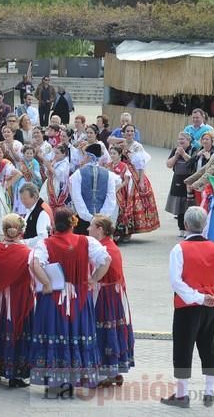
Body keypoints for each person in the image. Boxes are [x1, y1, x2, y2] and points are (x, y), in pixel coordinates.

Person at [29, 207, 112, 389]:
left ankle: (55, 381)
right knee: (77, 333)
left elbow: (35, 263)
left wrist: (47, 283)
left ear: (54, 225)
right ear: (73, 223)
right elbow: (106, 260)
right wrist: (93, 279)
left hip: (54, 298)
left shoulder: (45, 244)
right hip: (79, 297)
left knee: (55, 333)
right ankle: (77, 377)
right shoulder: (86, 241)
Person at [161, 206, 214, 409]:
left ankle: (182, 394)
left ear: (186, 225)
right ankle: (209, 392)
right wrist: (207, 293)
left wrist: (196, 297)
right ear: (204, 224)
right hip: (210, 303)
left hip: (187, 306)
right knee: (209, 345)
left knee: (183, 348)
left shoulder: (179, 249)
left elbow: (176, 282)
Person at [88, 214, 134, 388]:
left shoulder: (104, 249)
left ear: (100, 229)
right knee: (113, 330)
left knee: (104, 331)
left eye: (91, 226)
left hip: (106, 296)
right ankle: (114, 371)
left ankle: (106, 373)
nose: (88, 229)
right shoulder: (108, 246)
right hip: (113, 294)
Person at [0, 214, 33, 388]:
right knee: (17, 332)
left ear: (4, 230)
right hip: (18, 299)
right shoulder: (27, 252)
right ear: (21, 231)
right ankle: (15, 374)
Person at [69, 143, 118, 235]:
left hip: (83, 219)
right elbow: (111, 197)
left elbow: (76, 197)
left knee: (83, 245)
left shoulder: (78, 174)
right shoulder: (109, 175)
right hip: (102, 221)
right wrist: (102, 216)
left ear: (88, 156)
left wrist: (87, 216)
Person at [166, 132, 197, 235]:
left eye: (183, 139)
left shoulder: (194, 150)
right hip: (177, 179)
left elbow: (193, 163)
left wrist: (183, 154)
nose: (180, 141)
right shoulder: (175, 150)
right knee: (179, 206)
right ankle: (181, 229)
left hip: (189, 179)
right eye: (179, 139)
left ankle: (189, 228)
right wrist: (176, 156)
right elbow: (169, 165)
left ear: (188, 141)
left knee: (188, 205)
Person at [19, 182, 53, 247]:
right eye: (21, 199)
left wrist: (23, 242)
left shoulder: (42, 212)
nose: (22, 202)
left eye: (25, 199)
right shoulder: (31, 208)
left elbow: (42, 238)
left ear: (34, 197)